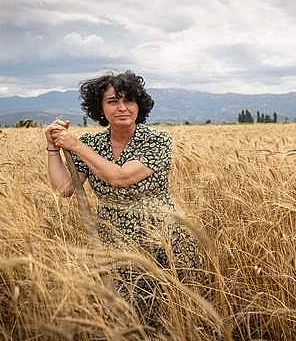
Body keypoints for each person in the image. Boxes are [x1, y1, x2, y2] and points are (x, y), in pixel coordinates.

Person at [44, 70, 202, 325]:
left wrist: (75, 146)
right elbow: (64, 189)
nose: (122, 108)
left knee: (169, 309)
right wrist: (53, 148)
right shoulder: (92, 144)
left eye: (129, 100)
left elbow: (120, 178)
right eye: (113, 101)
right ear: (100, 108)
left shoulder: (158, 140)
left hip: (163, 234)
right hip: (114, 238)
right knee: (126, 311)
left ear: (139, 105)